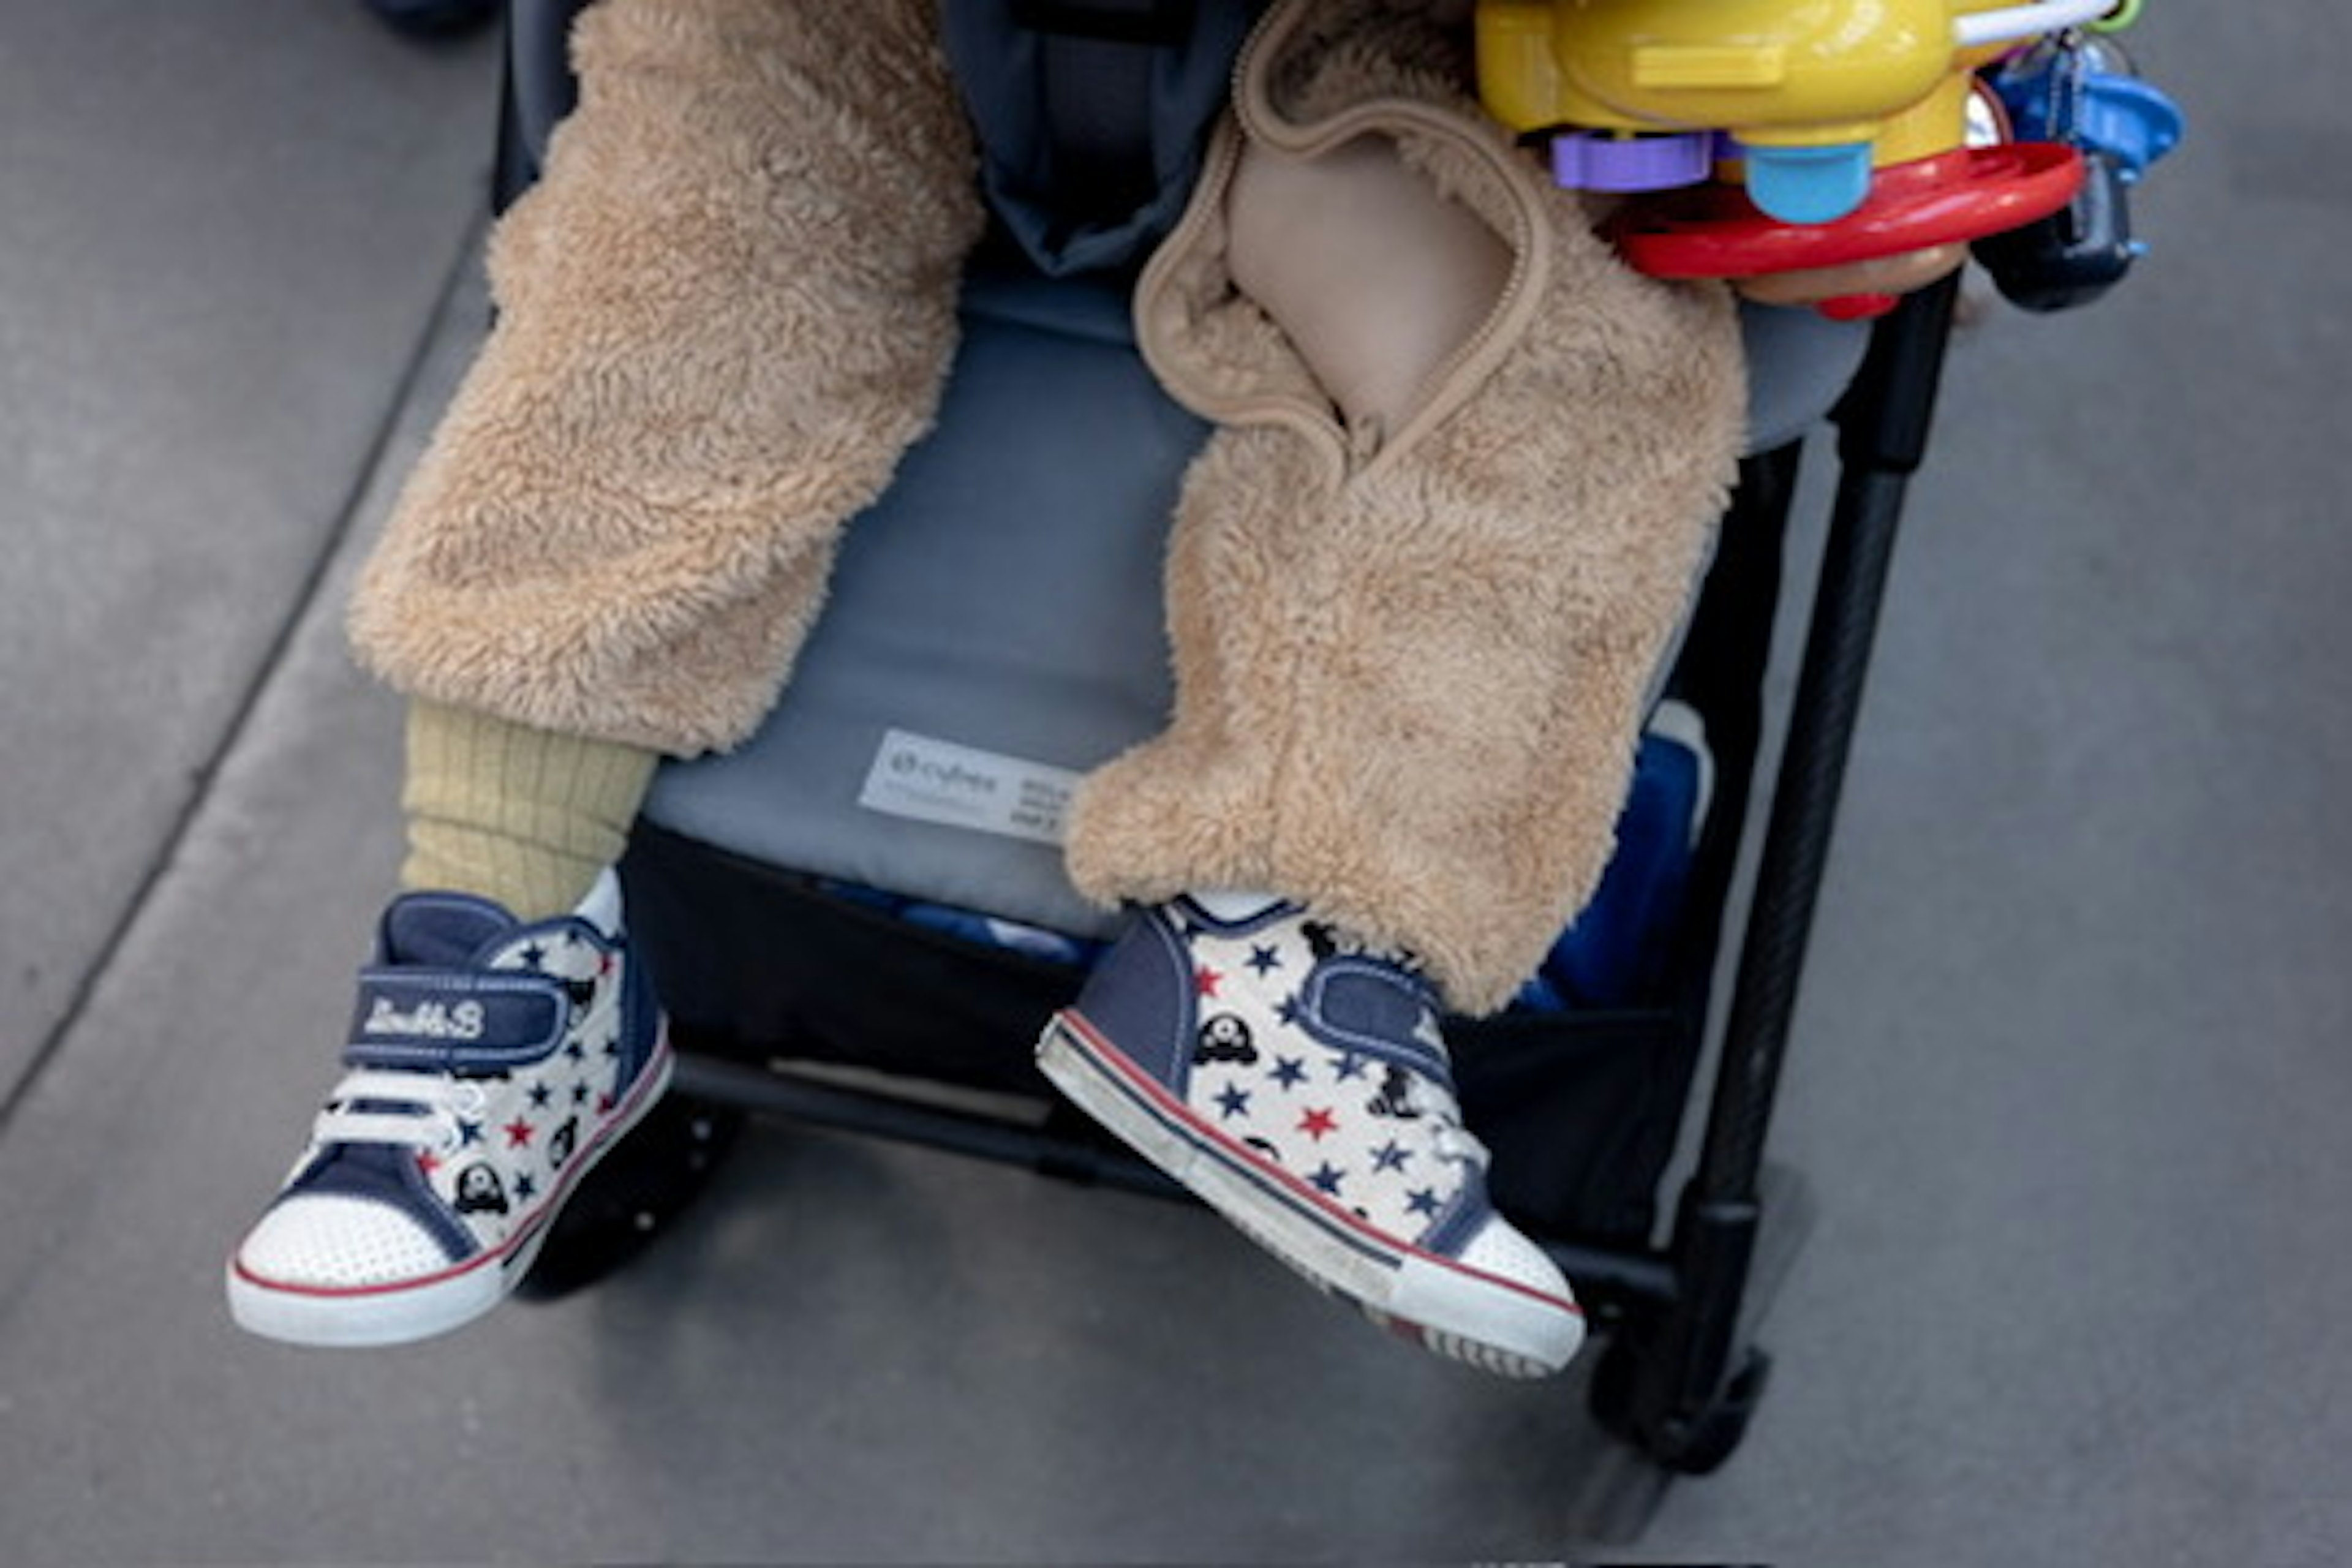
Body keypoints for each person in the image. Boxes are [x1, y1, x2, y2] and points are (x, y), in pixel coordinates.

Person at [227, 0, 1960, 1375]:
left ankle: (1282, 953)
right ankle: (501, 950)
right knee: (672, 278)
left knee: (1559, 356)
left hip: (1385, 46)